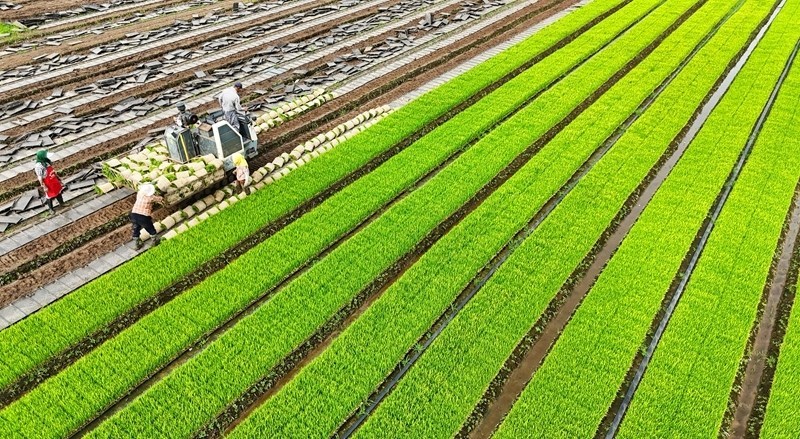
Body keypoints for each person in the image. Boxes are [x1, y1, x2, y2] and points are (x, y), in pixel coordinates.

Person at [130, 183, 163, 250]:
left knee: (136, 228)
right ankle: (154, 241)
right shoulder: (151, 198)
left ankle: (137, 244)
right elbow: (159, 199)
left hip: (134, 214)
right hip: (143, 216)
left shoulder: (139, 193)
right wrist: (161, 196)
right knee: (150, 228)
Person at [34, 149, 64, 215]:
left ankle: (62, 203)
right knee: (49, 196)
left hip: (53, 179)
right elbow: (40, 178)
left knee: (58, 192)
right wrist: (44, 186)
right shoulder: (38, 166)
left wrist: (58, 179)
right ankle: (51, 209)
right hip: (48, 183)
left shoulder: (46, 162)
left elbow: (53, 171)